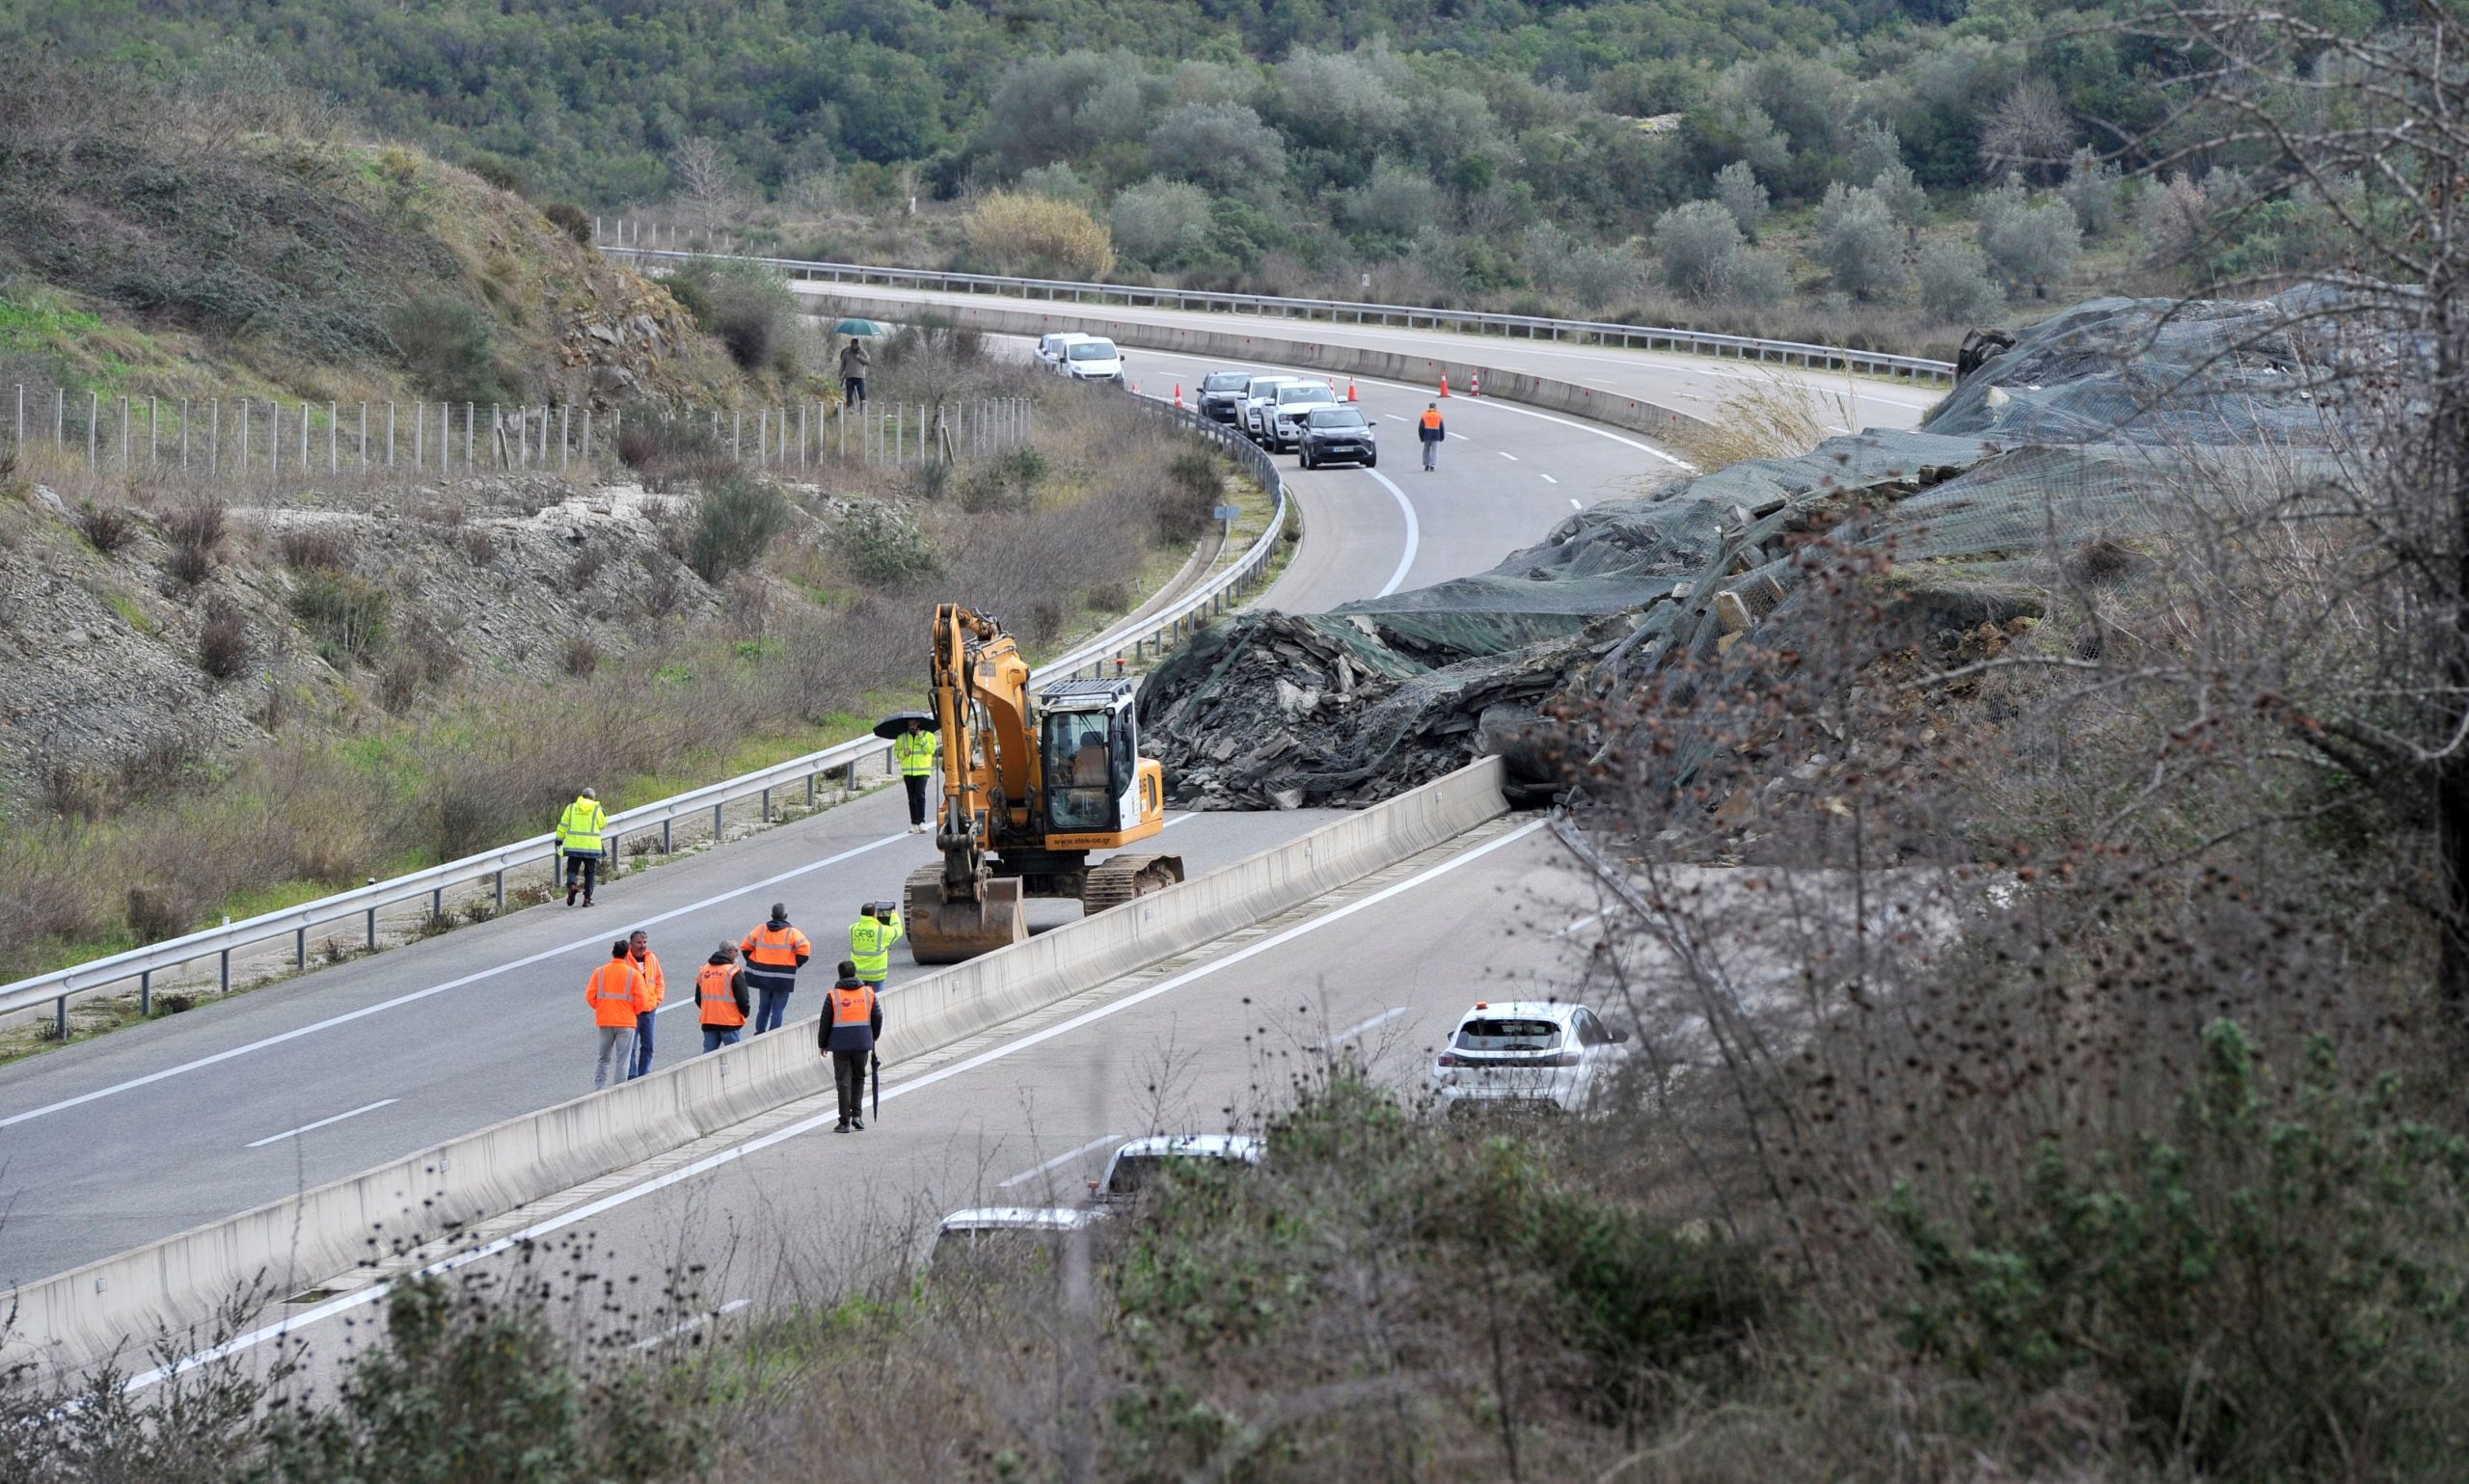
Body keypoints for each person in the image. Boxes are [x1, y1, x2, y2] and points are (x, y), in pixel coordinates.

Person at [820, 959, 882, 1133]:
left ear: (839, 975)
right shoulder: (868, 992)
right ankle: (857, 1116)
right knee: (859, 1078)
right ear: (855, 973)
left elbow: (825, 1022)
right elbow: (878, 1016)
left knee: (843, 1082)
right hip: (862, 1042)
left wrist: (822, 1044)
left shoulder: (834, 995)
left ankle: (844, 1121)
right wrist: (873, 1036)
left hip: (840, 1045)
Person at [741, 903, 814, 1035]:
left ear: (772, 915)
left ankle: (759, 1032)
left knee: (763, 1008)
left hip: (763, 976)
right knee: (778, 1010)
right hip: (783, 977)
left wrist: (755, 962)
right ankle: (774, 1034)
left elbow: (745, 947)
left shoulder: (761, 929)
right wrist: (794, 964)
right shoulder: (792, 932)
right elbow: (805, 950)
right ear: (786, 916)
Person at [586, 940, 648, 1091]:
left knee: (603, 1059)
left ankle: (599, 1090)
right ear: (627, 955)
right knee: (622, 1060)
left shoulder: (600, 972)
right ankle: (619, 1091)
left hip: (605, 1020)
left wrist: (602, 1008)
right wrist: (633, 1012)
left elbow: (590, 996)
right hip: (626, 1022)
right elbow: (642, 1001)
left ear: (612, 953)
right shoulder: (633, 975)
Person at [556, 787, 609, 906]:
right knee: (590, 873)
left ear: (581, 796)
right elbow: (603, 824)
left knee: (572, 869)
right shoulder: (597, 809)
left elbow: (562, 826)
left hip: (574, 846)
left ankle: (572, 885)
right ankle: (587, 899)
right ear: (593, 798)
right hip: (591, 847)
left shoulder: (571, 808)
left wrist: (559, 841)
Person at [626, 930, 665, 1079]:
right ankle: (632, 1076)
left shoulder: (651, 958)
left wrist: (657, 1000)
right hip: (633, 1011)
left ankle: (644, 1076)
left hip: (649, 1009)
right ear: (631, 944)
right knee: (631, 1047)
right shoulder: (626, 960)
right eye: (639, 942)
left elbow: (659, 981)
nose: (642, 946)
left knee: (648, 1046)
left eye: (644, 942)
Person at [697, 942, 749, 1053]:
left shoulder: (705, 970)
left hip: (709, 1021)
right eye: (735, 951)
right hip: (729, 1022)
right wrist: (744, 1014)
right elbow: (743, 998)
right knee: (734, 1054)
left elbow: (698, 998)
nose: (737, 954)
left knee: (708, 1055)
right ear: (729, 952)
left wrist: (709, 1010)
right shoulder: (733, 971)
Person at [894, 719, 937, 834]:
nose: (912, 726)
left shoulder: (928, 735)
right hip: (908, 772)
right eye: (910, 724)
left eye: (914, 724)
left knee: (920, 796)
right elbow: (896, 752)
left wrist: (921, 738)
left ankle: (921, 822)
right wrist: (903, 753)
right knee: (912, 798)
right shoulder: (902, 737)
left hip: (922, 771)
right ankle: (914, 823)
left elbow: (931, 750)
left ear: (918, 724)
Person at [848, 900, 904, 990]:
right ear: (875, 914)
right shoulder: (882, 931)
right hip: (876, 975)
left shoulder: (852, 928)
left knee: (861, 998)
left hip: (858, 974)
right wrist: (894, 916)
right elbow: (898, 931)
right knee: (876, 998)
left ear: (861, 914)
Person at [838, 337, 871, 409]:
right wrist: (840, 375)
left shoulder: (863, 352)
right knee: (849, 394)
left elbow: (868, 362)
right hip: (849, 376)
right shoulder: (846, 353)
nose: (853, 346)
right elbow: (843, 364)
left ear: (857, 344)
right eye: (852, 344)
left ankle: (863, 409)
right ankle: (850, 408)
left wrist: (859, 358)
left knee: (862, 394)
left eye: (855, 344)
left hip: (860, 376)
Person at [1419, 403, 1446, 472]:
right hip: (1436, 435)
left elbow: (1421, 428)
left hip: (1427, 435)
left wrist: (1421, 437)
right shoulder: (1439, 415)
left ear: (1429, 407)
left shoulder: (1425, 415)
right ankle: (1432, 466)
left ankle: (1426, 465)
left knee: (1426, 450)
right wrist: (1442, 437)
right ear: (1435, 408)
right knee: (1435, 451)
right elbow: (1442, 427)